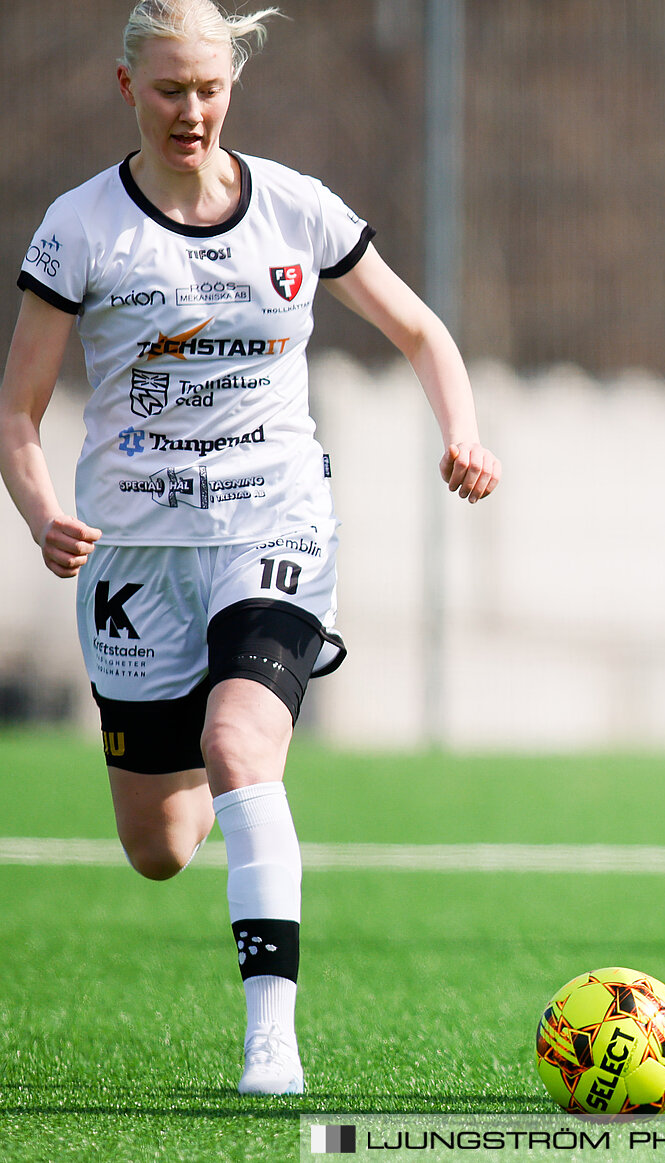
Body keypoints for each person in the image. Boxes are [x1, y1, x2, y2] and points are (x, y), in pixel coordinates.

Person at [0, 0, 500, 1096]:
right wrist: (43, 514)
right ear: (128, 88)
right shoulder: (82, 228)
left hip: (273, 525)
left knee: (240, 742)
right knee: (162, 843)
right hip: (136, 557)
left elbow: (422, 331)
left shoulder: (295, 211)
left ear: (235, 86)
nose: (192, 111)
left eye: (210, 89)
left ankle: (271, 1033)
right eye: (171, 89)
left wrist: (461, 430)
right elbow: (18, 415)